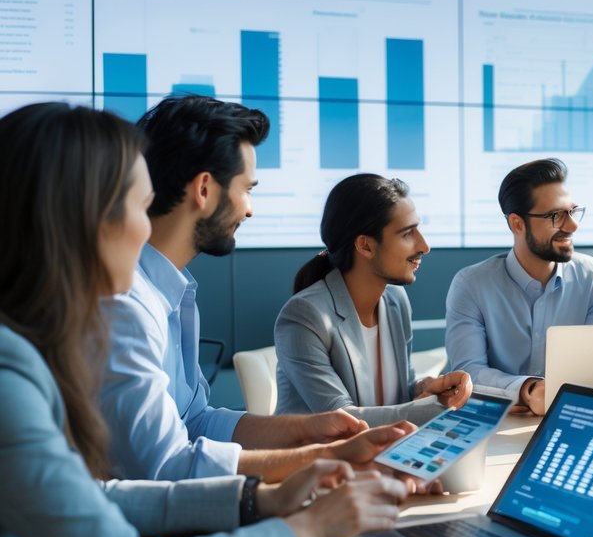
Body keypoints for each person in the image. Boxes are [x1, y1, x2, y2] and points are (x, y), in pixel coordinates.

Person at [0, 103, 408, 537]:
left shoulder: (32, 345)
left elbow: (97, 497)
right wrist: (308, 528)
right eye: (141, 206)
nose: (146, 230)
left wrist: (260, 500)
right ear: (88, 220)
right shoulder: (13, 374)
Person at [99, 95, 406, 482]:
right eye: (247, 188)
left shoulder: (169, 295)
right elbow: (166, 466)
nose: (249, 209)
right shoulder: (127, 307)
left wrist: (307, 430)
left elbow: (196, 422)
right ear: (205, 189)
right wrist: (324, 458)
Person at [275, 174, 472, 425]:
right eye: (407, 233)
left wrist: (427, 388)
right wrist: (440, 409)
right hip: (319, 461)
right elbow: (344, 421)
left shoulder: (395, 301)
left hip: (380, 457)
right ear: (365, 246)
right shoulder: (304, 316)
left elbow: (398, 393)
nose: (424, 245)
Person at [446, 158, 593, 414]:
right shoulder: (471, 285)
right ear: (517, 224)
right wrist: (529, 390)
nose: (572, 225)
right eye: (556, 216)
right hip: (495, 426)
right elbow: (468, 373)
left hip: (570, 418)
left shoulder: (591, 275)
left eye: (573, 211)